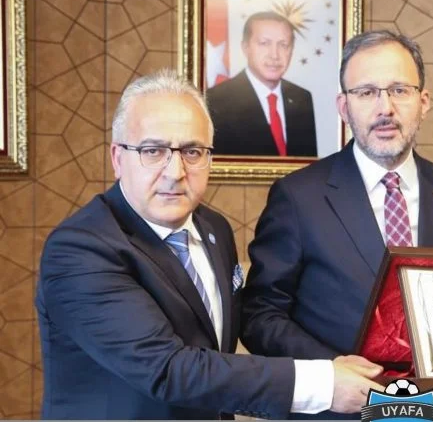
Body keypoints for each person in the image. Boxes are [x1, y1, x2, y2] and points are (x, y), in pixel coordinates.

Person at [36, 69, 381, 420]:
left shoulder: (214, 228)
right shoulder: (79, 250)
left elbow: (225, 344)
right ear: (117, 158)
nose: (175, 172)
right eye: (153, 151)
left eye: (192, 151)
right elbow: (168, 369)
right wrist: (322, 384)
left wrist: (334, 363)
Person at [241, 30, 433, 419]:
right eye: (366, 92)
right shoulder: (298, 197)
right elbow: (259, 315)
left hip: (431, 410)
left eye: (399, 90)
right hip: (337, 412)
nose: (385, 108)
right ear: (344, 106)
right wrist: (329, 371)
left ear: (423, 102)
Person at [207, 11, 317, 157]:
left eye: (283, 45)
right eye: (264, 43)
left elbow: (308, 164)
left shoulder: (301, 98)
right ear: (245, 47)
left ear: (292, 50)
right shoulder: (217, 100)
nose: (274, 55)